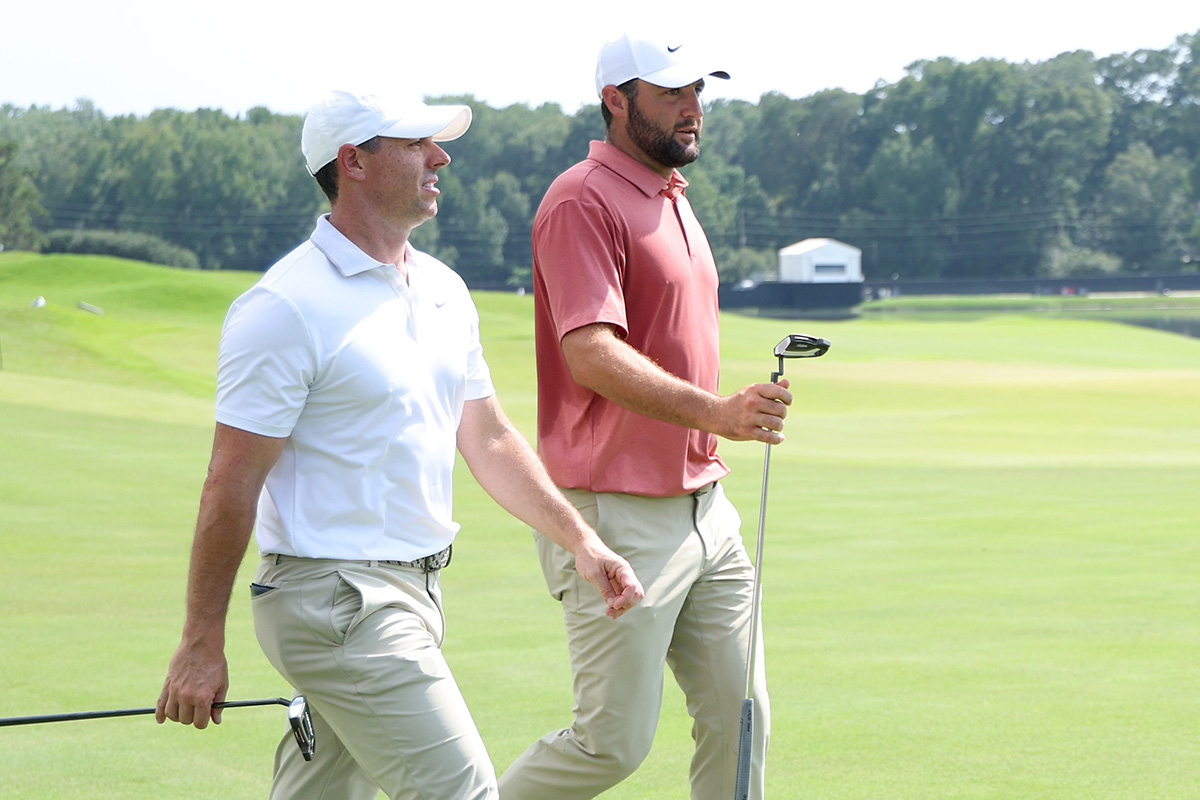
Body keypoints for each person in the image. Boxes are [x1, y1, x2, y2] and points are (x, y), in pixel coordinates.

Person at [155, 88, 644, 800]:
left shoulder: (443, 290)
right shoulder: (283, 307)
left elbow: (490, 437)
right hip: (337, 602)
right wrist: (201, 641)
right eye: (416, 144)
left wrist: (581, 540)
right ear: (353, 162)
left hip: (412, 594)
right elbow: (230, 482)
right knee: (463, 791)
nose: (440, 156)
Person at [498, 34, 792, 800]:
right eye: (671, 93)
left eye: (698, 90)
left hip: (706, 508)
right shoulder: (581, 198)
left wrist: (719, 424)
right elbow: (591, 353)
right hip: (616, 517)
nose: (693, 109)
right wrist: (719, 412)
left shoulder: (671, 196)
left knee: (744, 715)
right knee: (610, 745)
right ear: (616, 101)